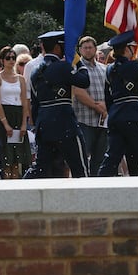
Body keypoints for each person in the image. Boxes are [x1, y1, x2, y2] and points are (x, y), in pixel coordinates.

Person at [24, 31, 90, 178]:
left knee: (40, 169)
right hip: (65, 124)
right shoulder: (62, 67)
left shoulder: (36, 72)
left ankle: (19, 190)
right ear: (57, 48)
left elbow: (35, 104)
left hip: (44, 125)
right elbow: (85, 80)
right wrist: (78, 61)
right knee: (80, 168)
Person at [98, 30, 138, 177]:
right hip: (132, 115)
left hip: (115, 116)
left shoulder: (109, 69)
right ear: (127, 48)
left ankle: (98, 184)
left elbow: (108, 97)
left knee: (112, 157)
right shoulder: (132, 66)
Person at [72, 36, 109, 176]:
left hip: (103, 121)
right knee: (82, 156)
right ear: (80, 50)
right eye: (85, 48)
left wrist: (106, 105)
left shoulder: (104, 69)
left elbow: (110, 91)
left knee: (100, 159)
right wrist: (96, 106)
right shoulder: (77, 69)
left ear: (95, 49)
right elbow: (78, 92)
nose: (88, 50)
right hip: (84, 120)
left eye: (90, 47)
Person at [0, 46, 31, 179]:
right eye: (8, 58)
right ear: (2, 60)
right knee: (6, 156)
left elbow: (24, 101)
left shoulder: (21, 78)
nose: (11, 60)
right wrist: (5, 124)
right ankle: (6, 181)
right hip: (4, 115)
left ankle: (16, 180)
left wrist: (24, 124)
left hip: (18, 114)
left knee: (17, 157)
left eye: (13, 57)